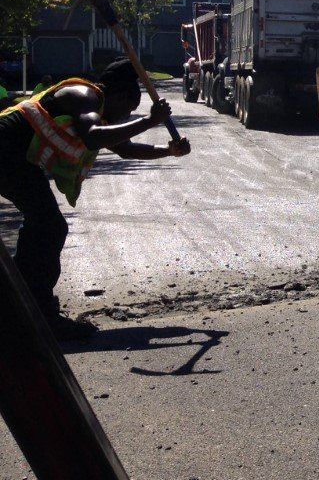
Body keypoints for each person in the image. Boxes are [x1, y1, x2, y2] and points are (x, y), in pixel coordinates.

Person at [0, 58, 190, 336]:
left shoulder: (98, 108)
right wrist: (149, 120)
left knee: (44, 224)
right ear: (121, 95)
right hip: (6, 150)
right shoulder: (84, 95)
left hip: (15, 157)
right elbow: (93, 137)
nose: (124, 118)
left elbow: (125, 148)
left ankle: (20, 303)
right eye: (127, 111)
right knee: (49, 225)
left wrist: (168, 150)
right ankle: (36, 313)